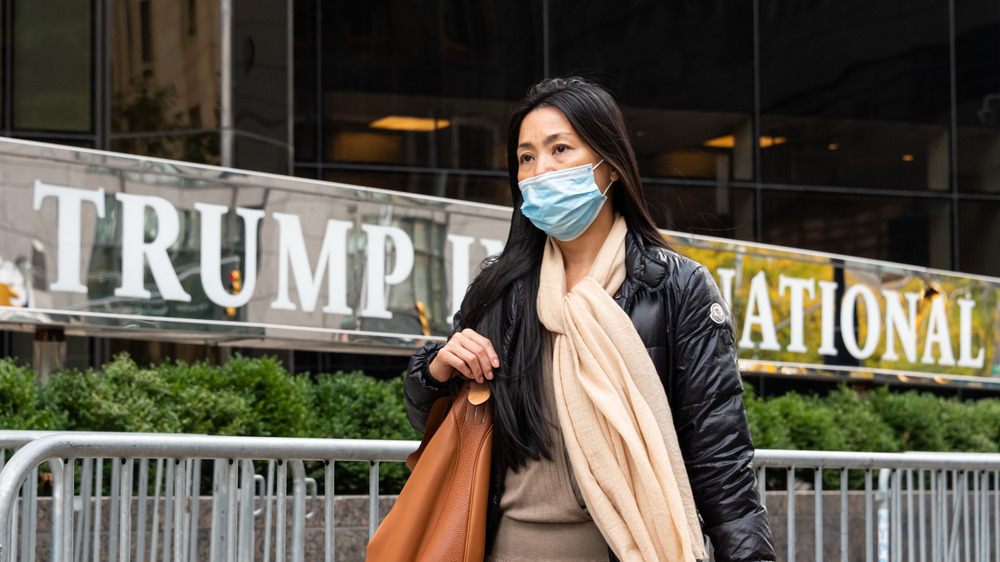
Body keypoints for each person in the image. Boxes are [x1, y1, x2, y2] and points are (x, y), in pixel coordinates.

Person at [403, 76, 775, 562]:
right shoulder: (501, 291)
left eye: (561, 149)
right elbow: (435, 425)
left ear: (611, 165)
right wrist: (436, 370)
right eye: (527, 157)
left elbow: (721, 461)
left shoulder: (676, 289)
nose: (541, 171)